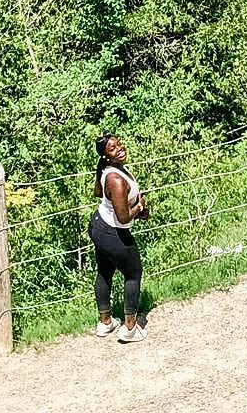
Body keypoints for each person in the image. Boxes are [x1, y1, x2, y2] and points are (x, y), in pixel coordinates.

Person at [89, 132, 148, 342]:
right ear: (106, 156)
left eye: (119, 144)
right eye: (113, 148)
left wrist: (129, 205)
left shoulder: (107, 170)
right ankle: (129, 329)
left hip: (99, 225)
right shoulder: (116, 179)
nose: (120, 148)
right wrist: (139, 206)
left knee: (104, 272)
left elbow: (99, 193)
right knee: (133, 273)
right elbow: (123, 219)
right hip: (113, 231)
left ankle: (105, 323)